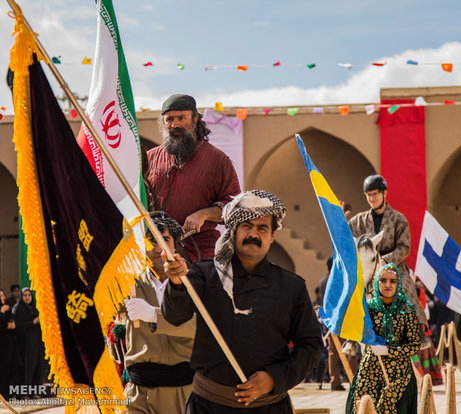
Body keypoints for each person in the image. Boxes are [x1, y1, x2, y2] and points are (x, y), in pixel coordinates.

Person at [162, 190, 323, 413]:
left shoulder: (291, 287)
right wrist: (177, 283)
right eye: (246, 225)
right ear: (233, 230)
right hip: (208, 407)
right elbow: (175, 316)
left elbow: (312, 346)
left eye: (262, 228)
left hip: (270, 408)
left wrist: (273, 378)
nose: (253, 234)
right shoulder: (205, 275)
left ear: (273, 236)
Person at [147, 94, 241, 262]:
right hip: (155, 252)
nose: (174, 125)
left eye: (181, 118)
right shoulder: (150, 158)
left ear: (195, 119)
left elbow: (235, 205)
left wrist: (204, 214)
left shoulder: (218, 160)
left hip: (199, 255)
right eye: (169, 119)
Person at [121, 211, 196, 413]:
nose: (157, 248)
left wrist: (154, 315)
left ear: (174, 245)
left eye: (164, 239)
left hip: (186, 393)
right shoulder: (126, 284)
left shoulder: (195, 283)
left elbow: (199, 326)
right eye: (150, 240)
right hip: (140, 395)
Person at [347, 175, 429, 328]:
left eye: (375, 194)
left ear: (384, 194)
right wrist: (339, 221)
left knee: (406, 289)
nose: (372, 198)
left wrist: (385, 260)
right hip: (368, 267)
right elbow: (345, 239)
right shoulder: (359, 221)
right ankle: (351, 337)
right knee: (353, 293)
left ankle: (419, 329)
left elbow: (405, 247)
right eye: (369, 195)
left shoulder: (399, 219)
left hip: (394, 266)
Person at [346, 263, 421, 413]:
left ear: (398, 283)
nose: (388, 284)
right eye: (383, 280)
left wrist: (389, 350)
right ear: (376, 282)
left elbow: (414, 346)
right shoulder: (369, 308)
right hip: (370, 371)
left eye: (392, 281)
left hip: (399, 374)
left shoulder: (407, 310)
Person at [318, 257, 358, 391]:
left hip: (329, 322)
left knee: (333, 353)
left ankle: (334, 381)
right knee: (349, 350)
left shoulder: (322, 281)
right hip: (341, 321)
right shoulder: (337, 280)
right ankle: (354, 379)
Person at [12, 288, 46, 392]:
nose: (27, 297)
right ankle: (26, 391)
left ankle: (36, 391)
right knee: (28, 367)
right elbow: (18, 327)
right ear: (22, 297)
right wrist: (33, 322)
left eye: (29, 295)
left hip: (37, 342)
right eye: (25, 295)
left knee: (39, 365)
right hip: (26, 343)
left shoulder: (35, 308)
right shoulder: (19, 309)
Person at [0, 288, 19, 399]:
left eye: (3, 295)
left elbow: (12, 326)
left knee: (8, 370)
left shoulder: (7, 310)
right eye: (1, 296)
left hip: (8, 346)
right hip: (2, 347)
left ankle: (6, 393)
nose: (3, 298)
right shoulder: (2, 311)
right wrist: (1, 313)